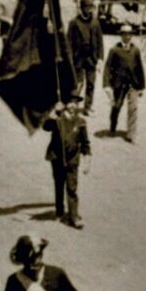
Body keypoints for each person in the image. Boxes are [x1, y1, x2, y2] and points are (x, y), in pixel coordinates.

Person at [43, 94, 93, 228]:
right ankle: (59, 210)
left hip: (72, 160)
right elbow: (46, 126)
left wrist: (87, 160)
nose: (72, 106)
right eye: (70, 103)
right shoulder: (58, 119)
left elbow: (85, 143)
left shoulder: (81, 122)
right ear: (65, 104)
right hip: (57, 158)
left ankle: (73, 217)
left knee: (72, 188)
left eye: (75, 103)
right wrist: (53, 113)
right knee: (59, 185)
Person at [104, 24, 146, 140]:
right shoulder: (114, 50)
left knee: (133, 108)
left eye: (130, 34)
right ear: (121, 35)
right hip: (118, 84)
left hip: (133, 84)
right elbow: (107, 68)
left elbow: (140, 68)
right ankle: (113, 127)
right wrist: (107, 84)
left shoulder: (135, 50)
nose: (127, 37)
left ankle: (131, 134)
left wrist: (142, 86)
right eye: (125, 34)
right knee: (116, 107)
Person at [66, 0, 103, 99]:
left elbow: (100, 42)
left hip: (91, 57)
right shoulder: (74, 23)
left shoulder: (95, 23)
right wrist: (69, 58)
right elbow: (68, 41)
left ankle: (88, 107)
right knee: (78, 83)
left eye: (91, 8)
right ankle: (73, 105)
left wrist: (100, 58)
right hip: (78, 57)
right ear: (82, 8)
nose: (89, 10)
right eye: (87, 7)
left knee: (91, 83)